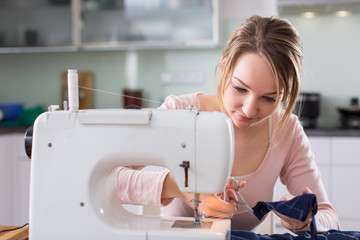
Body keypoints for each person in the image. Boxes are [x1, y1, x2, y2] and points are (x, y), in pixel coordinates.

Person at [115, 15, 340, 233]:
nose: (249, 110)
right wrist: (177, 187)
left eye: (270, 98)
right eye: (240, 88)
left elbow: (328, 216)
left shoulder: (287, 130)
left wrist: (305, 220)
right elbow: (103, 178)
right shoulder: (178, 112)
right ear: (223, 67)